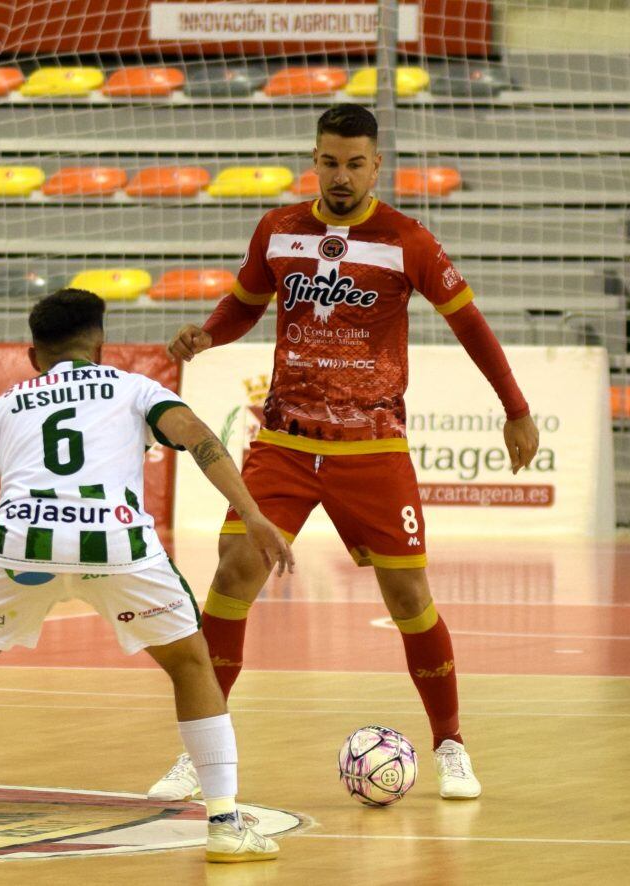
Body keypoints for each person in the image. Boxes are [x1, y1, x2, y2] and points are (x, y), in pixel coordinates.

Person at [148, 104, 539, 803]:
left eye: (354, 162)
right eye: (329, 161)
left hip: (373, 448)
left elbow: (471, 326)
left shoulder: (407, 240)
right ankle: (200, 750)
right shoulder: (279, 229)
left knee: (409, 595)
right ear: (315, 159)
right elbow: (244, 303)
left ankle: (451, 745)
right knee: (234, 569)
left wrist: (516, 411)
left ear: (376, 165)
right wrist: (207, 334)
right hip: (286, 442)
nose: (340, 175)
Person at [0, 288, 294, 863]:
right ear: (100, 345)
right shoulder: (135, 388)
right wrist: (254, 515)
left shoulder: (6, 404)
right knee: (191, 665)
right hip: (114, 546)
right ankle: (226, 823)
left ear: (33, 354)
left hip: (21, 550)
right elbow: (201, 440)